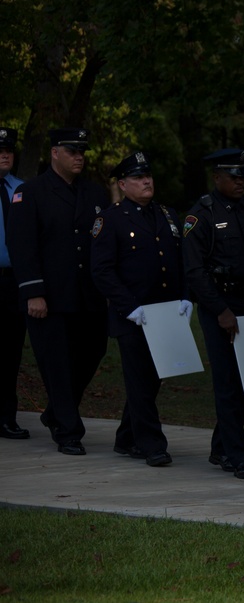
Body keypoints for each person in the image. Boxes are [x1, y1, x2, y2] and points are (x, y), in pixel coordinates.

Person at [7, 128, 109, 455]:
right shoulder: (30, 191)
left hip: (88, 295)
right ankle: (68, 430)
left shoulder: (95, 193)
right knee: (57, 364)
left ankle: (54, 412)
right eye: (72, 151)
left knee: (92, 352)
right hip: (49, 296)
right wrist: (32, 292)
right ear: (54, 153)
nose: (79, 156)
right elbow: (22, 246)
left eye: (82, 151)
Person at [183, 148, 244, 479]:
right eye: (233, 176)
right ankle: (239, 455)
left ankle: (221, 445)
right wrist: (220, 310)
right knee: (227, 382)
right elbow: (195, 271)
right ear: (217, 177)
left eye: (243, 176)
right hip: (220, 308)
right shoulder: (202, 215)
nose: (240, 182)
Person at [90, 152, 187, 467]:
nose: (146, 182)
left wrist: (186, 296)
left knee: (154, 378)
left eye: (148, 176)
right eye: (138, 178)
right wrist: (128, 306)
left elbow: (182, 260)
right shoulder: (111, 219)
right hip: (133, 315)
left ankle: (126, 437)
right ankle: (151, 444)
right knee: (139, 380)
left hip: (166, 314)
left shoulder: (167, 214)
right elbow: (102, 270)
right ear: (122, 184)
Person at [0, 127, 29, 439]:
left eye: (8, 149)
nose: (5, 154)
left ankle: (6, 417)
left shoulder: (22, 189)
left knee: (10, 353)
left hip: (13, 283)